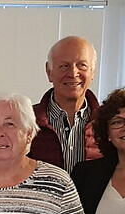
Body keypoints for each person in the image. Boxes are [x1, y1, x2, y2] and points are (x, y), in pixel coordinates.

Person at [30, 36, 100, 172]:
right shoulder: (26, 121)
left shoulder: (108, 124)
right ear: (49, 72)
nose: (73, 73)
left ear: (93, 72)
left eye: (82, 65)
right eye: (64, 66)